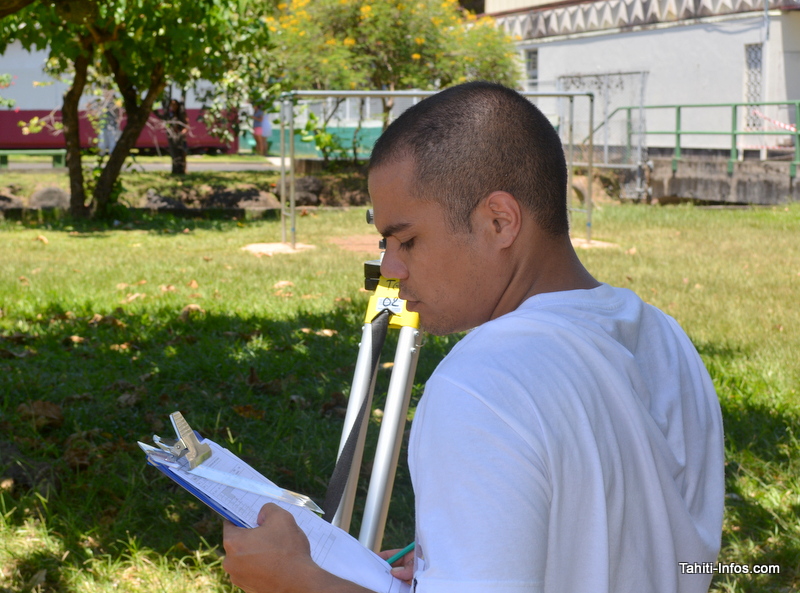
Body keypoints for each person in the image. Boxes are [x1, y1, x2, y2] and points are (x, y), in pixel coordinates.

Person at [223, 82, 724, 593]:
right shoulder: (665, 337)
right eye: (384, 242)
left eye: (408, 240)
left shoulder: (484, 381)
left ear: (499, 221)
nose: (389, 268)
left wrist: (297, 580)